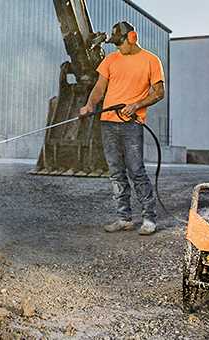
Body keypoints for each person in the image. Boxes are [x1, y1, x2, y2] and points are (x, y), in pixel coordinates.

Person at [79, 21, 165, 235]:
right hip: (108, 123)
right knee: (116, 173)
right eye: (115, 44)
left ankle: (149, 218)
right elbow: (100, 88)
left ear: (132, 37)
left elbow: (159, 92)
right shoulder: (111, 60)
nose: (119, 48)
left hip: (132, 125)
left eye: (121, 43)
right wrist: (90, 105)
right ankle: (124, 218)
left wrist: (136, 105)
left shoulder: (151, 61)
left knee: (136, 171)